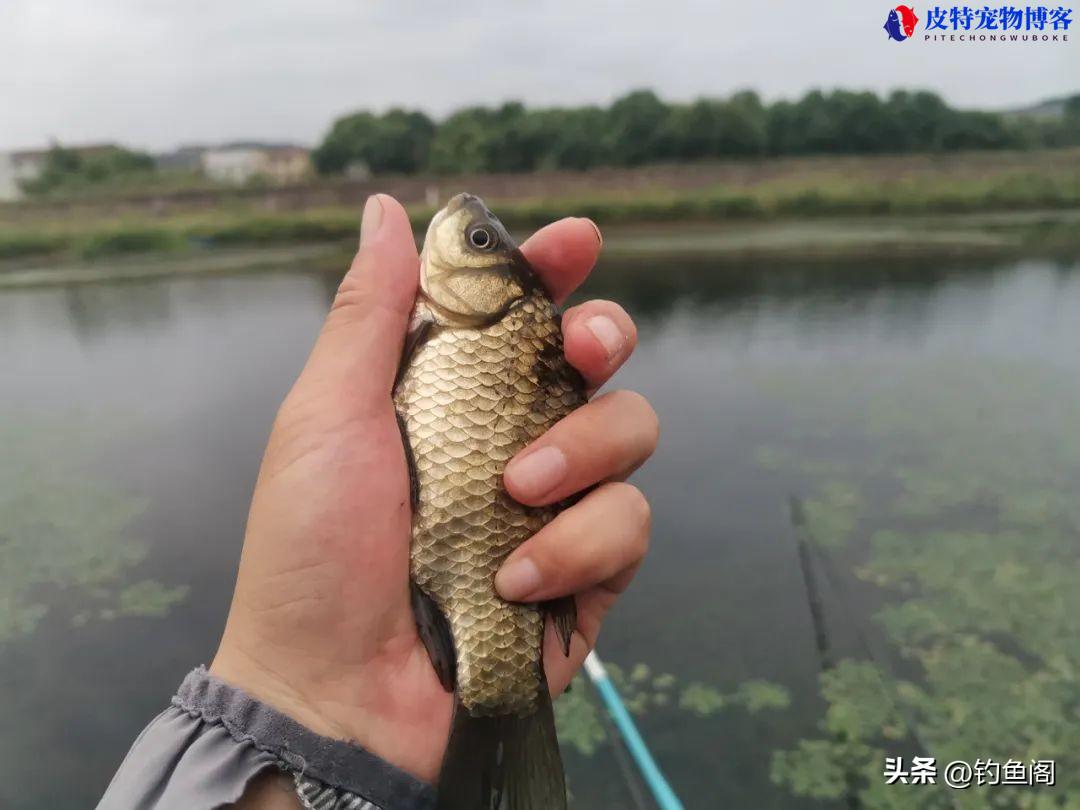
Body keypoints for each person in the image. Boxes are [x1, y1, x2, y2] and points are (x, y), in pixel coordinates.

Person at [99, 195, 659, 809]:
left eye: (478, 243)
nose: (464, 223)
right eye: (483, 241)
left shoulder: (477, 327)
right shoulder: (447, 324)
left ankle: (498, 701)